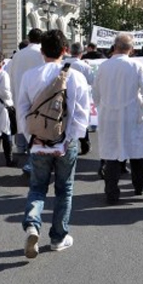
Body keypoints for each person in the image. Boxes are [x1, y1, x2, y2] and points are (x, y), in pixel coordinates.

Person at [17, 29, 90, 258]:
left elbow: (22, 109)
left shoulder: (29, 76)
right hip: (64, 142)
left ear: (41, 51)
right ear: (65, 50)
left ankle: (32, 224)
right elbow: (81, 113)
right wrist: (69, 140)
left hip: (38, 141)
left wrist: (31, 137)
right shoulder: (76, 76)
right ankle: (58, 237)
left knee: (37, 187)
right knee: (64, 189)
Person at [93, 33, 143, 205]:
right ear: (131, 49)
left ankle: (111, 191)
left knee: (111, 154)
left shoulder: (103, 67)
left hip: (109, 115)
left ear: (114, 47)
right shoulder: (136, 66)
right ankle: (139, 185)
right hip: (131, 114)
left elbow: (95, 93)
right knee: (136, 152)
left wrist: (102, 108)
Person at [5, 29, 45, 156]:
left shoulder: (18, 55)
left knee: (21, 118)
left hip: (19, 91)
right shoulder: (42, 54)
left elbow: (9, 74)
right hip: (38, 93)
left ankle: (21, 146)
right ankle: (34, 147)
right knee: (37, 120)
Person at [64, 42, 95, 156]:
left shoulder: (64, 63)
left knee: (66, 119)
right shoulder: (84, 66)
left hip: (65, 95)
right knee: (81, 118)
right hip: (81, 96)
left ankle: (67, 142)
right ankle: (84, 143)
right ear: (81, 53)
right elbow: (92, 81)